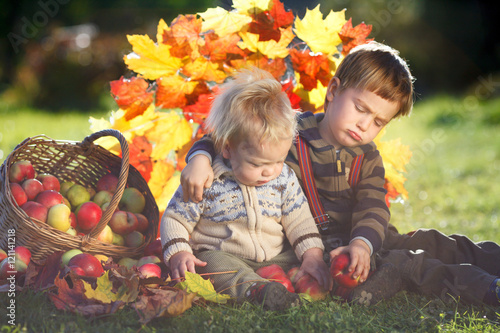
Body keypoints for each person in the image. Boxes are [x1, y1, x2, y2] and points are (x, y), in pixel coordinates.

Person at [180, 41, 500, 307]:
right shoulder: (287, 130)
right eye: (361, 109)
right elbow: (234, 135)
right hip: (307, 249)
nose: (365, 125)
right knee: (413, 265)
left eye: (378, 122)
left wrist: (362, 243)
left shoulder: (368, 157)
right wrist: (200, 157)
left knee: (433, 241)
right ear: (333, 90)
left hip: (362, 241)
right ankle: (489, 289)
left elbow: (373, 206)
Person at [160, 67, 332, 312]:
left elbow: (300, 220)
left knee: (312, 256)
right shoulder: (209, 180)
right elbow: (175, 218)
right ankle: (255, 290)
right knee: (208, 264)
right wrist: (178, 252)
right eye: (256, 163)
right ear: (228, 149)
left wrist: (312, 255)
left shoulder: (284, 179)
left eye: (277, 161)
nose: (269, 171)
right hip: (226, 257)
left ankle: (297, 278)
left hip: (274, 257)